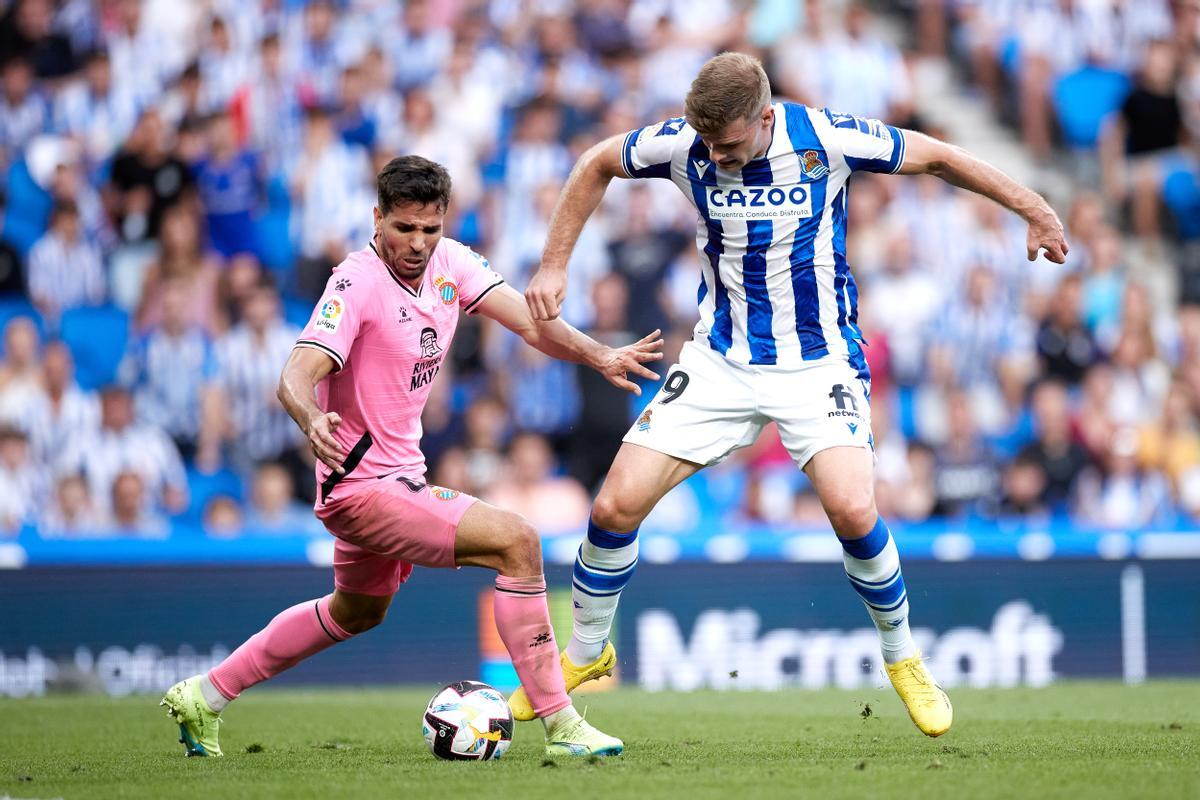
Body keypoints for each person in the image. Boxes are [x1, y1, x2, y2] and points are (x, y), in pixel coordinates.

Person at [514, 52, 1069, 739]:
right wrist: (553, 263)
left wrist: (1035, 208)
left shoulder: (826, 139)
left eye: (729, 143)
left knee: (851, 505)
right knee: (615, 503)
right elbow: (598, 159)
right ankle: (587, 651)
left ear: (767, 118)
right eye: (707, 143)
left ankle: (903, 657)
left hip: (818, 361)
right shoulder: (685, 144)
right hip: (720, 359)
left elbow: (937, 157)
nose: (715, 155)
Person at [161, 155, 663, 758]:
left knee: (356, 611)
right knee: (518, 542)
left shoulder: (453, 262)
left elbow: (532, 326)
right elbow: (295, 373)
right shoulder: (355, 282)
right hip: (363, 486)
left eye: (430, 229)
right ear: (378, 218)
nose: (418, 243)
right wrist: (311, 416)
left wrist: (599, 354)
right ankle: (562, 725)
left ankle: (206, 694)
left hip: (397, 477)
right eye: (404, 228)